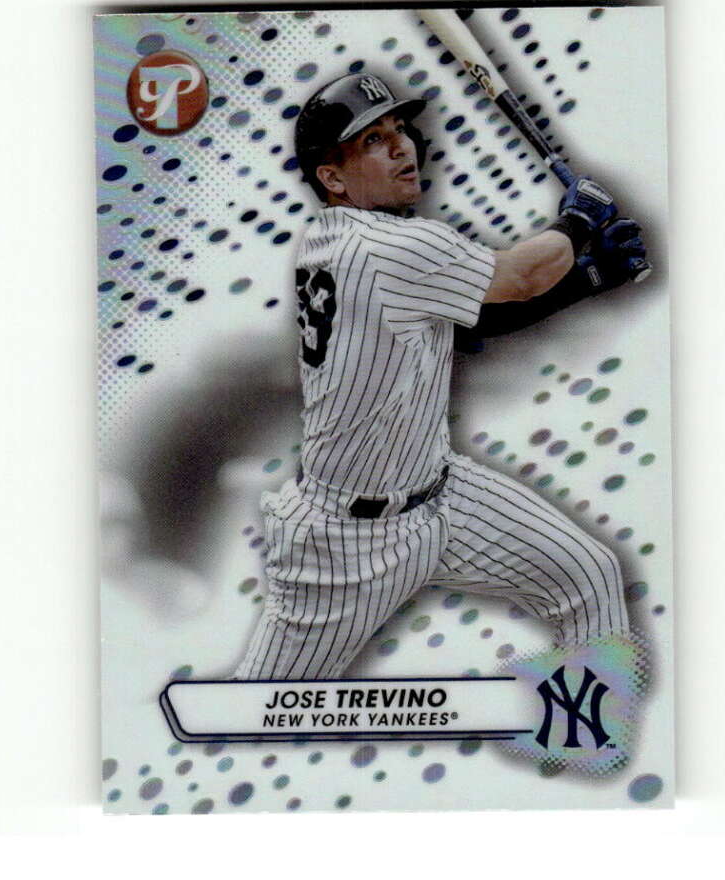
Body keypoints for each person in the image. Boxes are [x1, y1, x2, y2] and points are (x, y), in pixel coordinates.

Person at [235, 73, 647, 681]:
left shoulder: (345, 241)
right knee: (260, 709)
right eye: (373, 140)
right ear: (332, 178)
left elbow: (480, 316)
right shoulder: (381, 247)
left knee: (588, 573)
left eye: (399, 129)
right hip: (343, 543)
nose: (402, 147)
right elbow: (521, 277)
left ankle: (592, 722)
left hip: (441, 492)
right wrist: (580, 219)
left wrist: (590, 277)